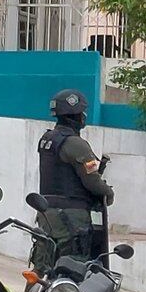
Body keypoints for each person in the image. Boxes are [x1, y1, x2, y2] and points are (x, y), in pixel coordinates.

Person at [37, 88, 112, 264]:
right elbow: (92, 181)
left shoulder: (47, 139)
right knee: (74, 266)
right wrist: (108, 193)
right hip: (71, 216)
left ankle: (35, 291)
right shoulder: (76, 144)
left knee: (44, 264)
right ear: (76, 116)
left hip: (46, 212)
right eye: (82, 113)